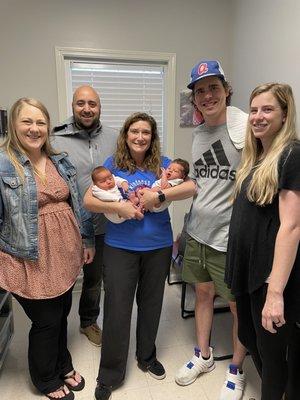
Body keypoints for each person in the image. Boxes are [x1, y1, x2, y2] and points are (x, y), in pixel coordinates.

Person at [83, 112, 196, 400]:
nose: (140, 137)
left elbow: (192, 186)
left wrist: (159, 197)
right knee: (118, 308)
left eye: (146, 132)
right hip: (120, 247)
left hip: (157, 247)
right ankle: (110, 373)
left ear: (152, 137)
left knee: (151, 304)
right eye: (135, 131)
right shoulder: (112, 165)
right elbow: (88, 200)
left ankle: (146, 357)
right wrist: (121, 209)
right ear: (126, 134)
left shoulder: (166, 165)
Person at [0, 98, 95, 399]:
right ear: (14, 125)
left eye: (40, 122)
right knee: (46, 320)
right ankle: (45, 379)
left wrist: (86, 239)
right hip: (29, 256)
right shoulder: (3, 163)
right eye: (27, 121)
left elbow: (76, 204)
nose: (34, 128)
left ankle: (62, 364)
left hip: (65, 252)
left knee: (63, 311)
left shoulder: (59, 160)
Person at [174, 60, 248, 400]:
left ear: (226, 89)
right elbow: (198, 183)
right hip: (198, 233)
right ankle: (203, 355)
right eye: (200, 90)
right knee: (202, 295)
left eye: (213, 88)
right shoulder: (200, 134)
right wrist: (163, 194)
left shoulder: (245, 128)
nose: (207, 95)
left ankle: (236, 369)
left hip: (228, 241)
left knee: (235, 307)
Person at [225, 83, 300, 400]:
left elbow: (292, 227)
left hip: (268, 277)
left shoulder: (291, 155)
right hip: (246, 271)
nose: (257, 116)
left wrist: (275, 294)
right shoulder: (256, 155)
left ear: (284, 115)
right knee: (249, 337)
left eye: (267, 109)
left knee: (272, 359)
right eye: (254, 109)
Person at [52, 85, 118, 346]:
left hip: (104, 225)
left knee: (94, 279)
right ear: (72, 105)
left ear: (100, 107)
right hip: (68, 222)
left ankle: (88, 322)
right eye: (81, 103)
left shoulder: (115, 136)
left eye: (93, 103)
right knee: (63, 280)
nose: (87, 109)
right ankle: (55, 329)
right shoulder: (55, 138)